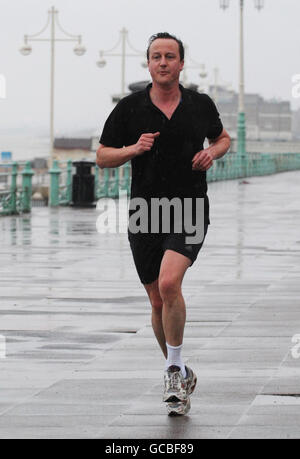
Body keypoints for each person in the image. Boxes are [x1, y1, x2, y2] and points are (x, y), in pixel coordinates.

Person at [96, 32, 230, 416]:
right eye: (156, 56)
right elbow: (102, 156)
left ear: (182, 63)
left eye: (170, 56)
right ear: (149, 64)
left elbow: (223, 138)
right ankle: (181, 370)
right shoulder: (130, 109)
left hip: (189, 206)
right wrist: (132, 149)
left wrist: (211, 152)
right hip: (145, 212)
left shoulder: (199, 104)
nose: (163, 62)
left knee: (171, 282)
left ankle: (171, 370)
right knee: (157, 301)